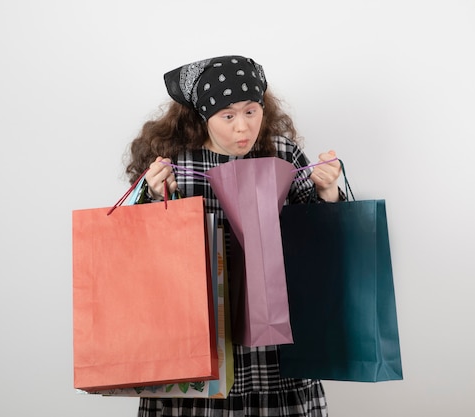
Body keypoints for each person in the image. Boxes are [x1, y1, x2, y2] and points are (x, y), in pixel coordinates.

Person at [124, 55, 344, 417]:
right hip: (195, 334)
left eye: (250, 111)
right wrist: (150, 193)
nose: (242, 127)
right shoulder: (177, 162)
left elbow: (322, 243)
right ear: (202, 116)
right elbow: (137, 253)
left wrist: (330, 192)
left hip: (275, 339)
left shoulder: (283, 154)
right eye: (227, 116)